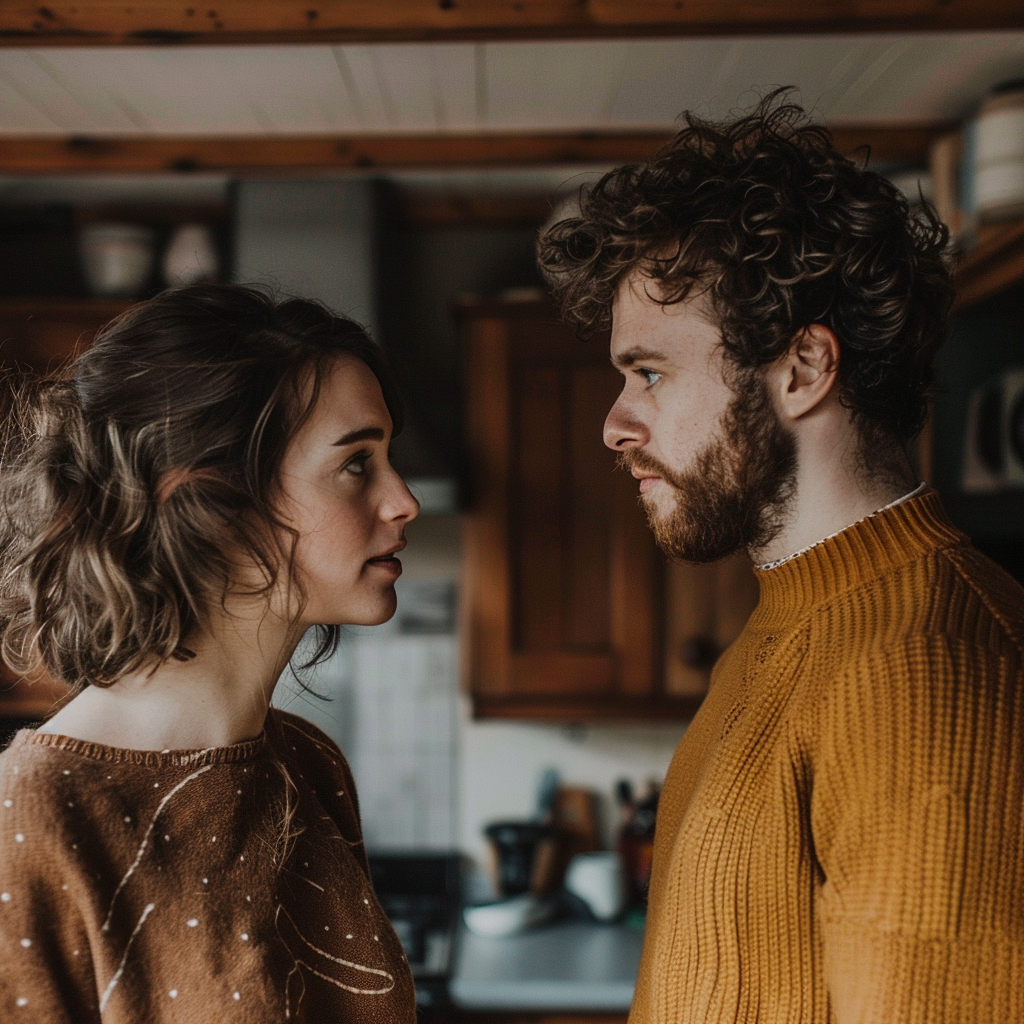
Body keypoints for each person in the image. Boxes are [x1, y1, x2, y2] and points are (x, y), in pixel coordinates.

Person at [538, 94, 1024, 1022]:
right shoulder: (787, 632)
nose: (613, 424)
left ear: (803, 368)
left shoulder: (925, 674)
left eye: (650, 373)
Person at [0, 284, 420, 1022]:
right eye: (357, 463)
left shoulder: (308, 766)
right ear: (206, 498)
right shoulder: (33, 816)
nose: (403, 499)